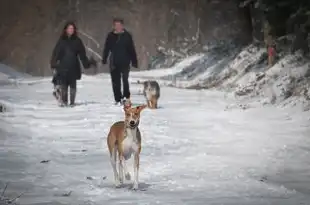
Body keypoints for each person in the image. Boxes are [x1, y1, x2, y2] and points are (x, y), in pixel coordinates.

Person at [50, 21, 97, 106]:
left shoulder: (77, 41)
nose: (71, 30)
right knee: (63, 86)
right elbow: (55, 53)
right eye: (69, 28)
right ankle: (64, 102)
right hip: (63, 66)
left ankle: (72, 103)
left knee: (73, 86)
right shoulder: (61, 41)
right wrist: (53, 63)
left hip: (73, 66)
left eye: (72, 28)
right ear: (65, 30)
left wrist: (88, 63)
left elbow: (82, 55)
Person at [102, 18, 138, 105]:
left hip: (125, 61)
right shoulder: (110, 36)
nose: (118, 27)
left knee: (125, 80)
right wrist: (104, 58)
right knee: (115, 81)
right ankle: (118, 99)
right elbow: (106, 48)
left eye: (119, 25)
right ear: (114, 26)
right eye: (116, 25)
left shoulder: (127, 35)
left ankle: (126, 97)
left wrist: (134, 61)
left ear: (122, 26)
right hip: (114, 62)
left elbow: (131, 49)